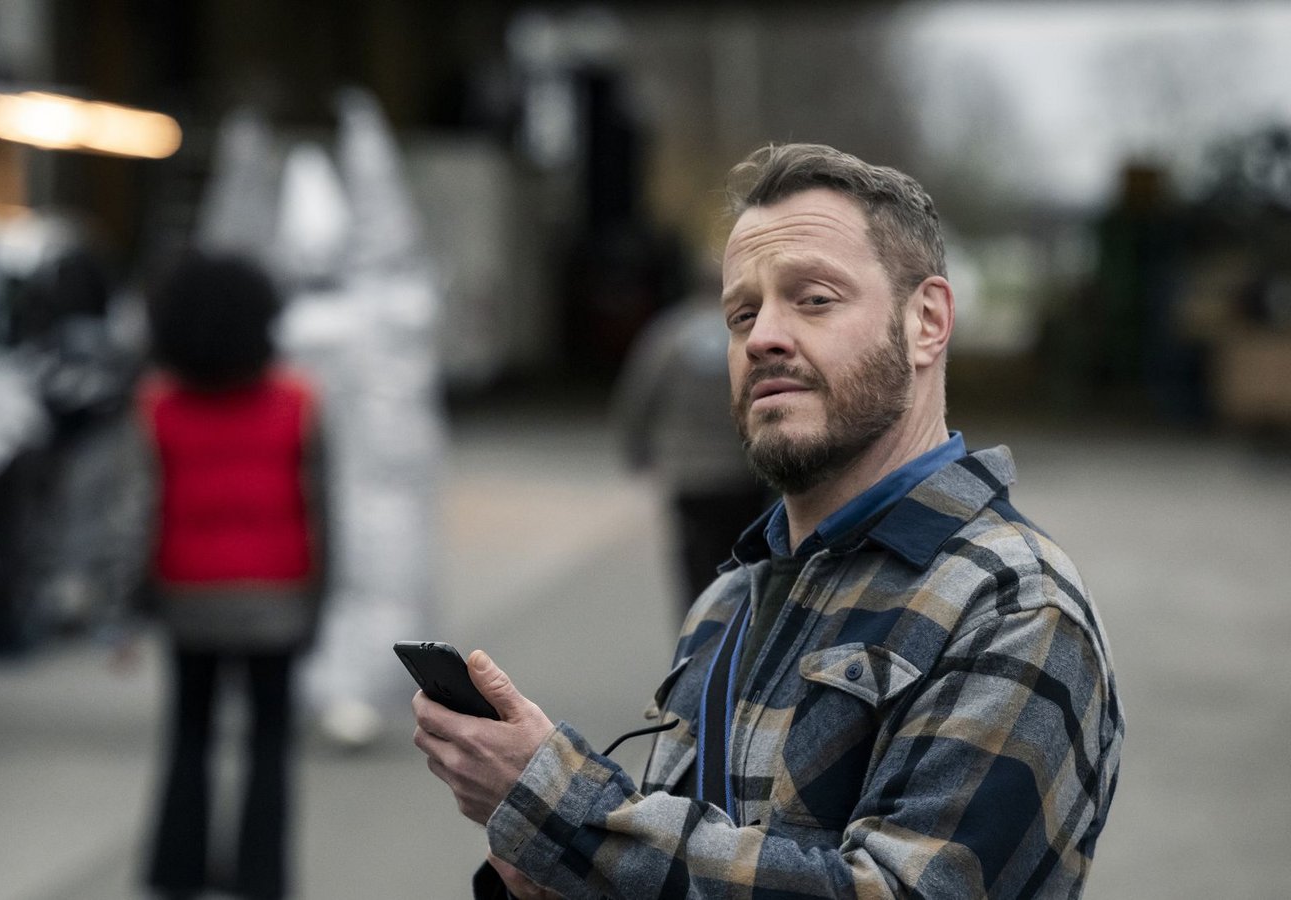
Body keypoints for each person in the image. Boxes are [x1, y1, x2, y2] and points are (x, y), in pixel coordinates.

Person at [412, 143, 1123, 898]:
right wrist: (554, 878)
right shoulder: (729, 603)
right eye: (741, 314)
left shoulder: (1013, 606)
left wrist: (564, 813)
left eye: (813, 299)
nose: (762, 338)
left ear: (926, 321)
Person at [131, 251, 330, 900]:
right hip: (278, 595)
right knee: (270, 743)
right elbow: (325, 510)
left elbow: (138, 510)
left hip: (187, 594)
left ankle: (178, 868)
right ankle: (261, 875)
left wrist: (133, 598)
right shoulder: (299, 402)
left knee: (188, 733)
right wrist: (319, 603)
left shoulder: (158, 404)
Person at [611, 283, 771, 618]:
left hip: (690, 475)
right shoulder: (750, 332)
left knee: (696, 564)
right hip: (744, 472)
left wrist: (636, 450)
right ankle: (741, 633)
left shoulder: (670, 333)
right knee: (746, 561)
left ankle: (697, 640)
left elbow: (639, 395)